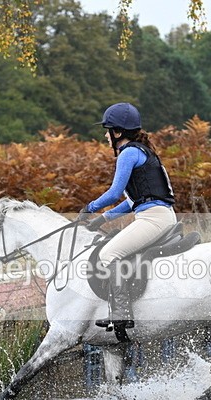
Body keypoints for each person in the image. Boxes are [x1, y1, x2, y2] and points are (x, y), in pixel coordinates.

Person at [78, 102, 177, 333]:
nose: (105, 135)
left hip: (153, 219)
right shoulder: (142, 151)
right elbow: (133, 201)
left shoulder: (128, 153)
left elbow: (114, 193)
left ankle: (121, 313)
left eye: (107, 130)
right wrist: (103, 219)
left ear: (118, 132)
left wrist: (90, 207)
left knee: (108, 254)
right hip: (159, 215)